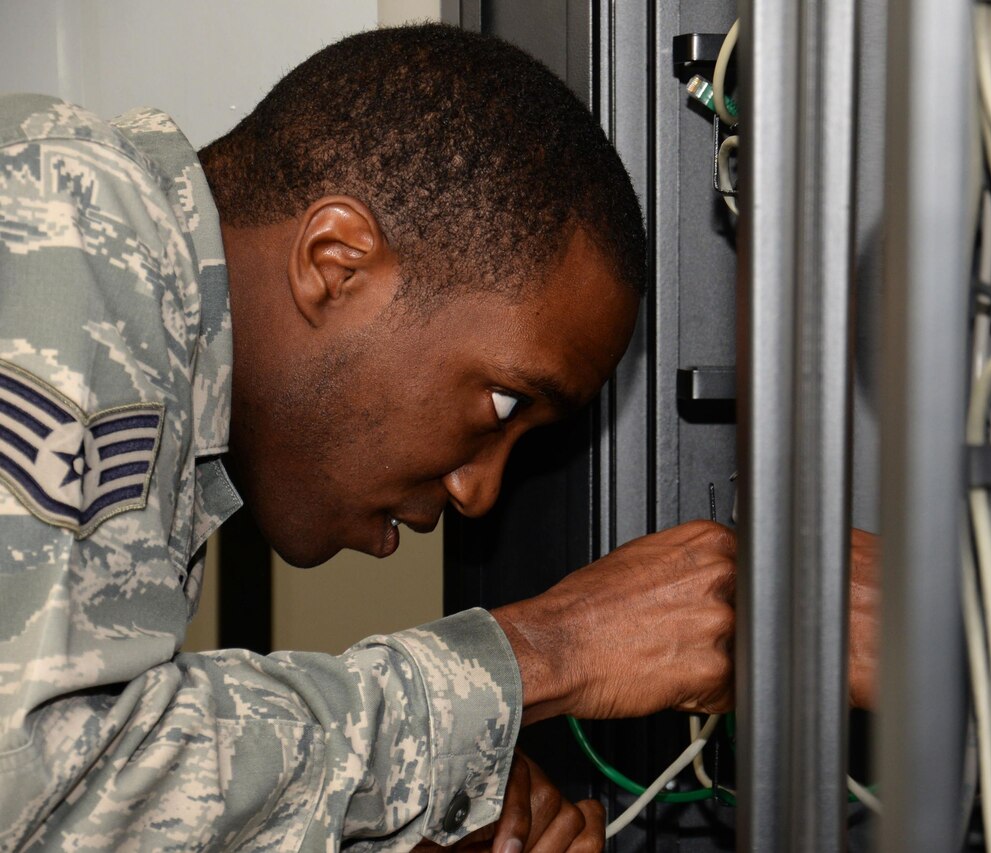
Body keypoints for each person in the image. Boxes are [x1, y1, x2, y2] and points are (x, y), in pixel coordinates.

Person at [0, 24, 735, 852]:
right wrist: (546, 651)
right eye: (500, 405)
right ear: (336, 264)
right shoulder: (71, 222)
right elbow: (47, 785)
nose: (479, 492)